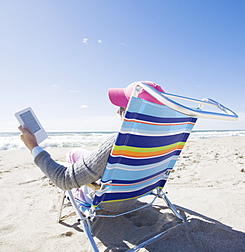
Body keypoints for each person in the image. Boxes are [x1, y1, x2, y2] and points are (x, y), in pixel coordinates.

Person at [19, 81, 165, 212]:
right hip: (135, 193)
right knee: (73, 153)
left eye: (121, 107)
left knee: (67, 172)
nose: (117, 111)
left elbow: (63, 179)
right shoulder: (165, 139)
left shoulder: (119, 143)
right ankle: (78, 167)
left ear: (132, 112)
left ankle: (77, 179)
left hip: (109, 202)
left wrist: (33, 146)